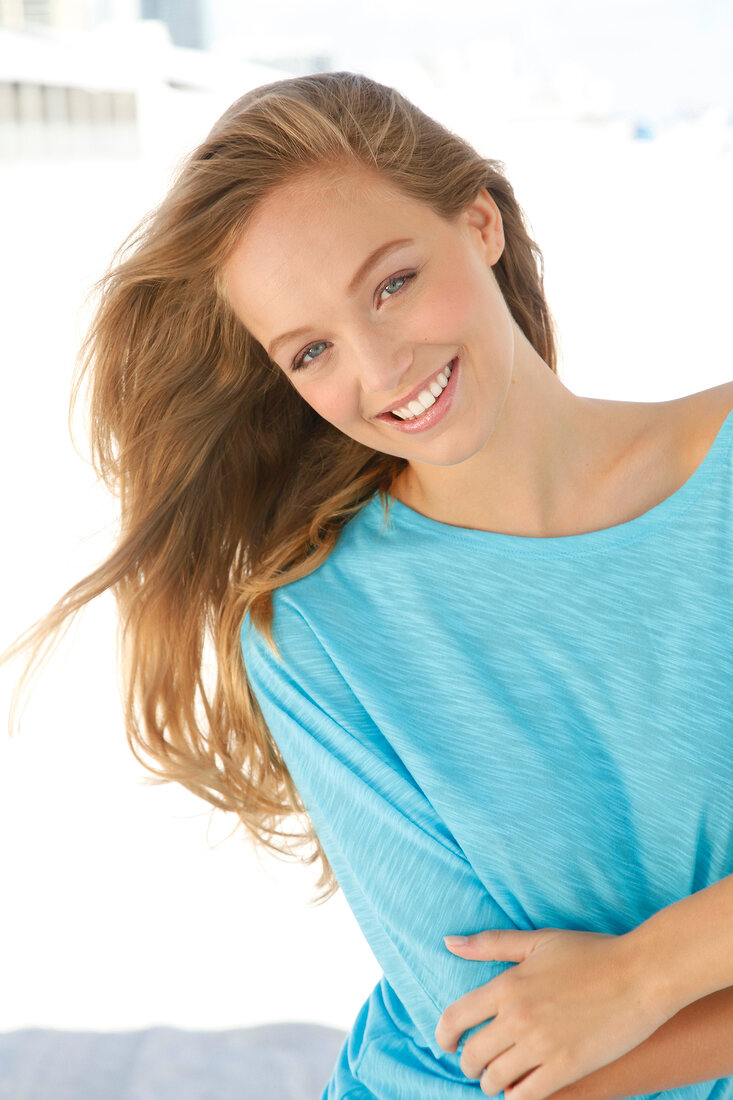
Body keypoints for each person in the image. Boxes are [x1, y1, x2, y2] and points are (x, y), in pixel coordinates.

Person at [4, 70, 733, 1100]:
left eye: (389, 283)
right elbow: (500, 1057)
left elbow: (575, 1035)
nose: (382, 367)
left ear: (477, 220)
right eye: (311, 350)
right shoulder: (315, 629)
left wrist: (637, 974)